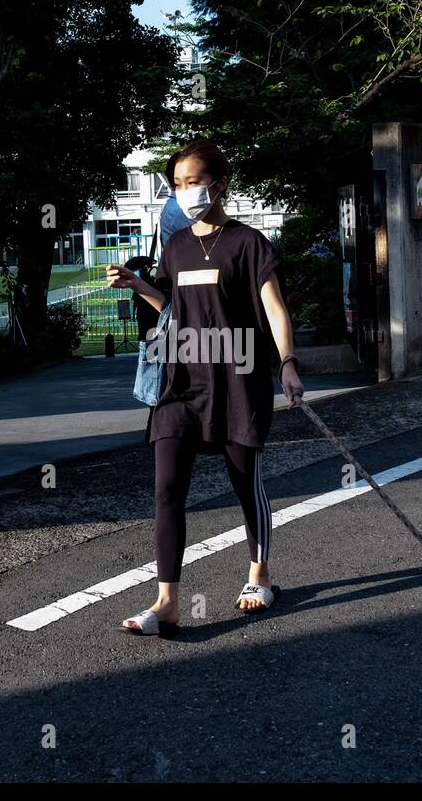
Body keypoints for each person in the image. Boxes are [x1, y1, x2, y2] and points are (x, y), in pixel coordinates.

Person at [106, 138, 304, 635]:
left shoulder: (249, 243)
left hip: (237, 379)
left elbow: (275, 309)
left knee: (245, 484)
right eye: (177, 184)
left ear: (220, 183)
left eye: (193, 182)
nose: (185, 192)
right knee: (167, 488)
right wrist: (140, 285)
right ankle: (166, 600)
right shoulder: (174, 246)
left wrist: (288, 363)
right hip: (181, 381)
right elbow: (175, 311)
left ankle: (259, 576)